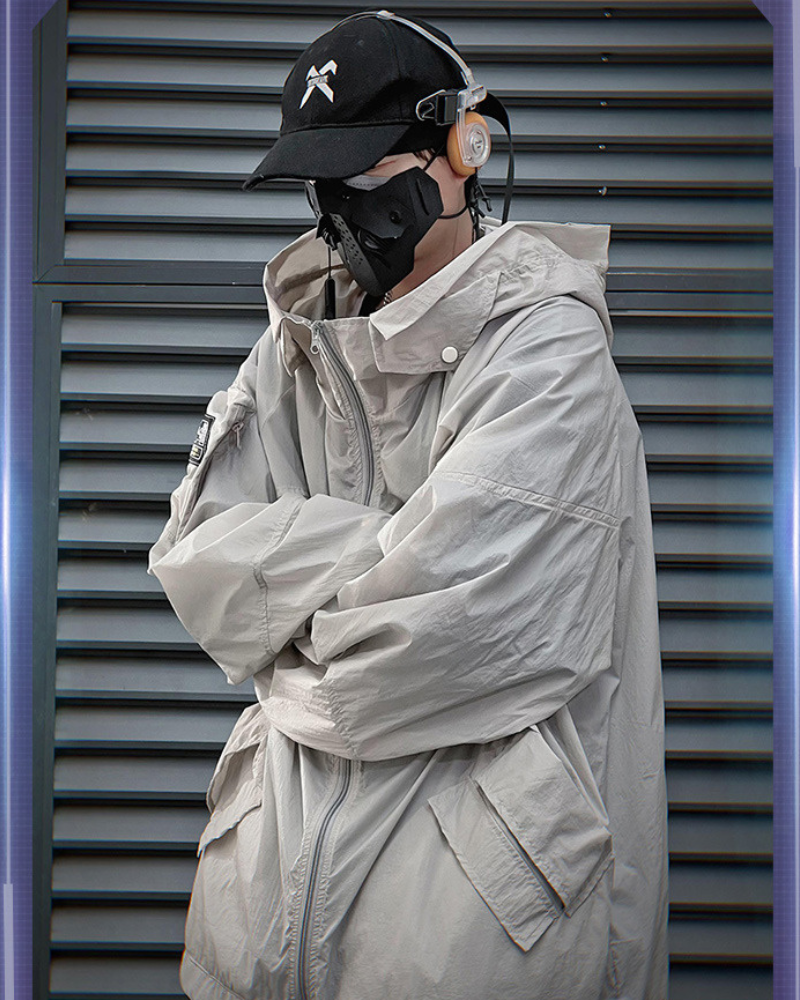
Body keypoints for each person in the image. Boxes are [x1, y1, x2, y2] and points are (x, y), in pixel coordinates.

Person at [148, 9, 669, 1000]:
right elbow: (195, 559)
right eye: (320, 183)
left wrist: (288, 610)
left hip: (466, 933)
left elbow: (442, 636)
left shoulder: (548, 355)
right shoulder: (292, 348)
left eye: (366, 173)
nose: (340, 209)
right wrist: (388, 548)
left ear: (464, 149)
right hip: (263, 894)